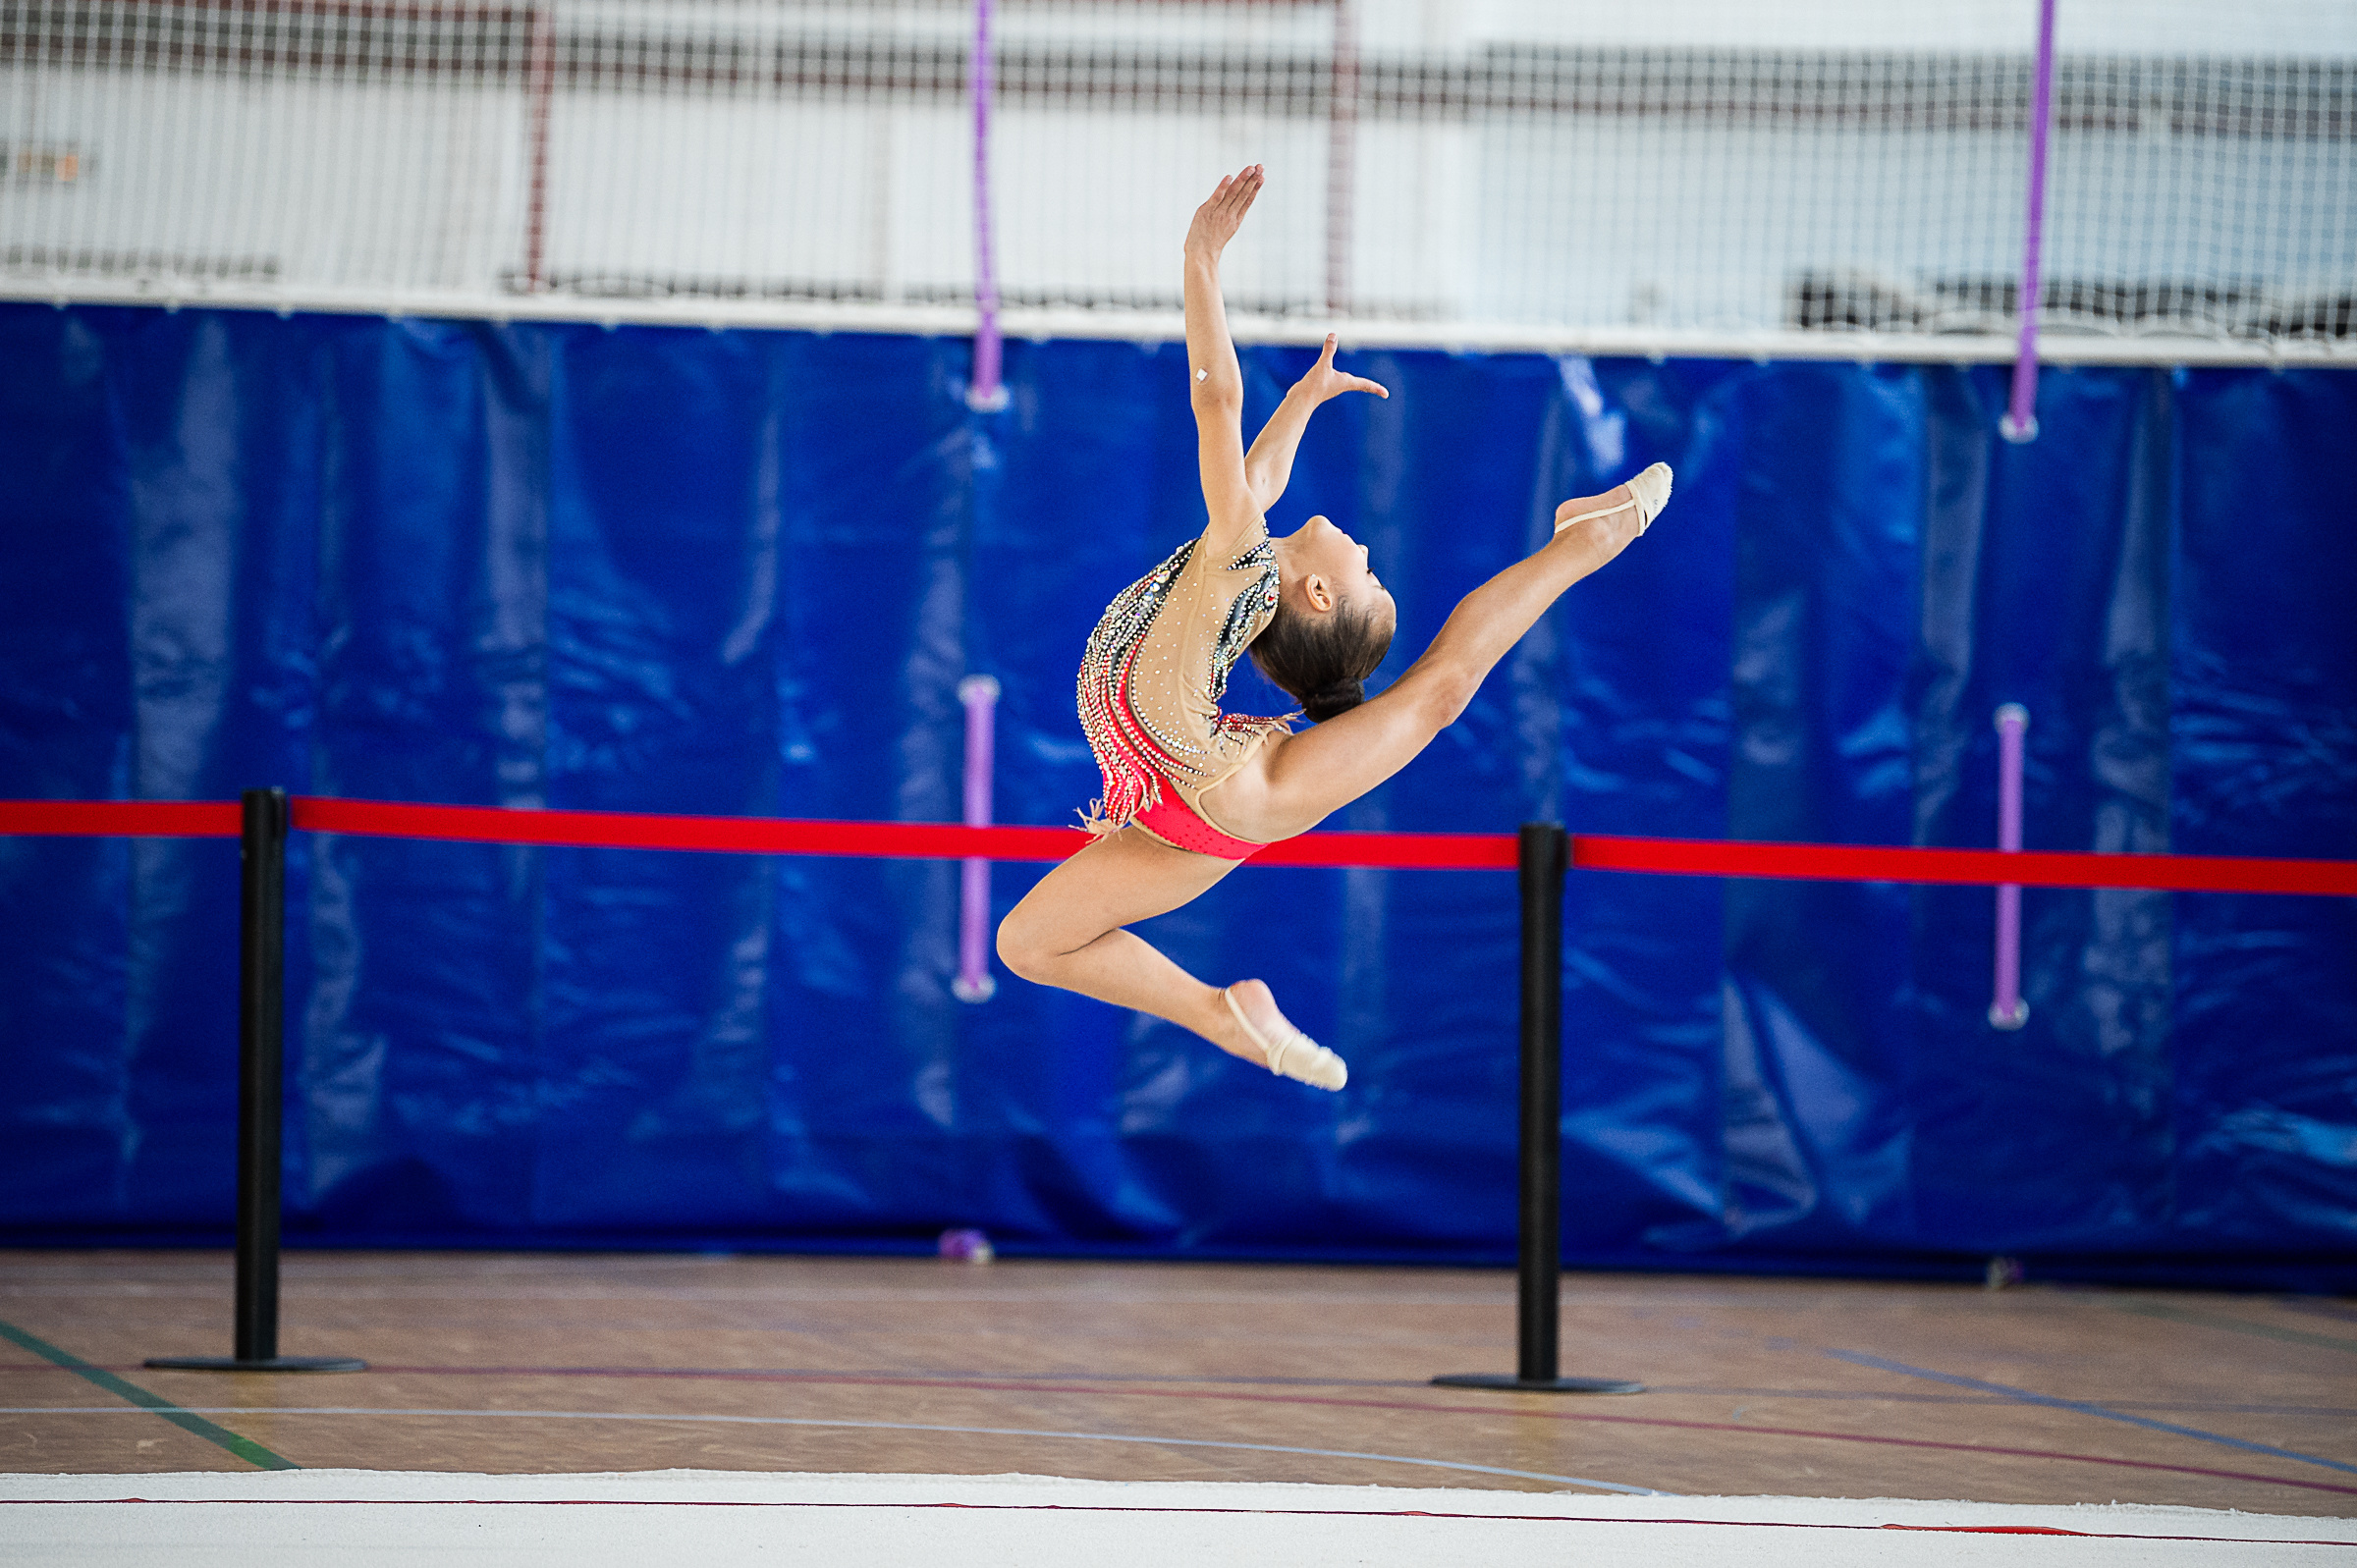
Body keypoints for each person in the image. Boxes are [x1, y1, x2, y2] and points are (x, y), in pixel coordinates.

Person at [996, 165, 1671, 1091]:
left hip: (1217, 792)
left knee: (1439, 694)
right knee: (1028, 940)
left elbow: (1215, 404)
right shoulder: (1235, 561)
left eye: (1369, 577)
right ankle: (1221, 1014)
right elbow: (1259, 478)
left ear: (1316, 596)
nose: (1366, 549)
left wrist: (1199, 261)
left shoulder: (1234, 561)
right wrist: (1303, 403)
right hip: (1185, 810)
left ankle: (1581, 541)